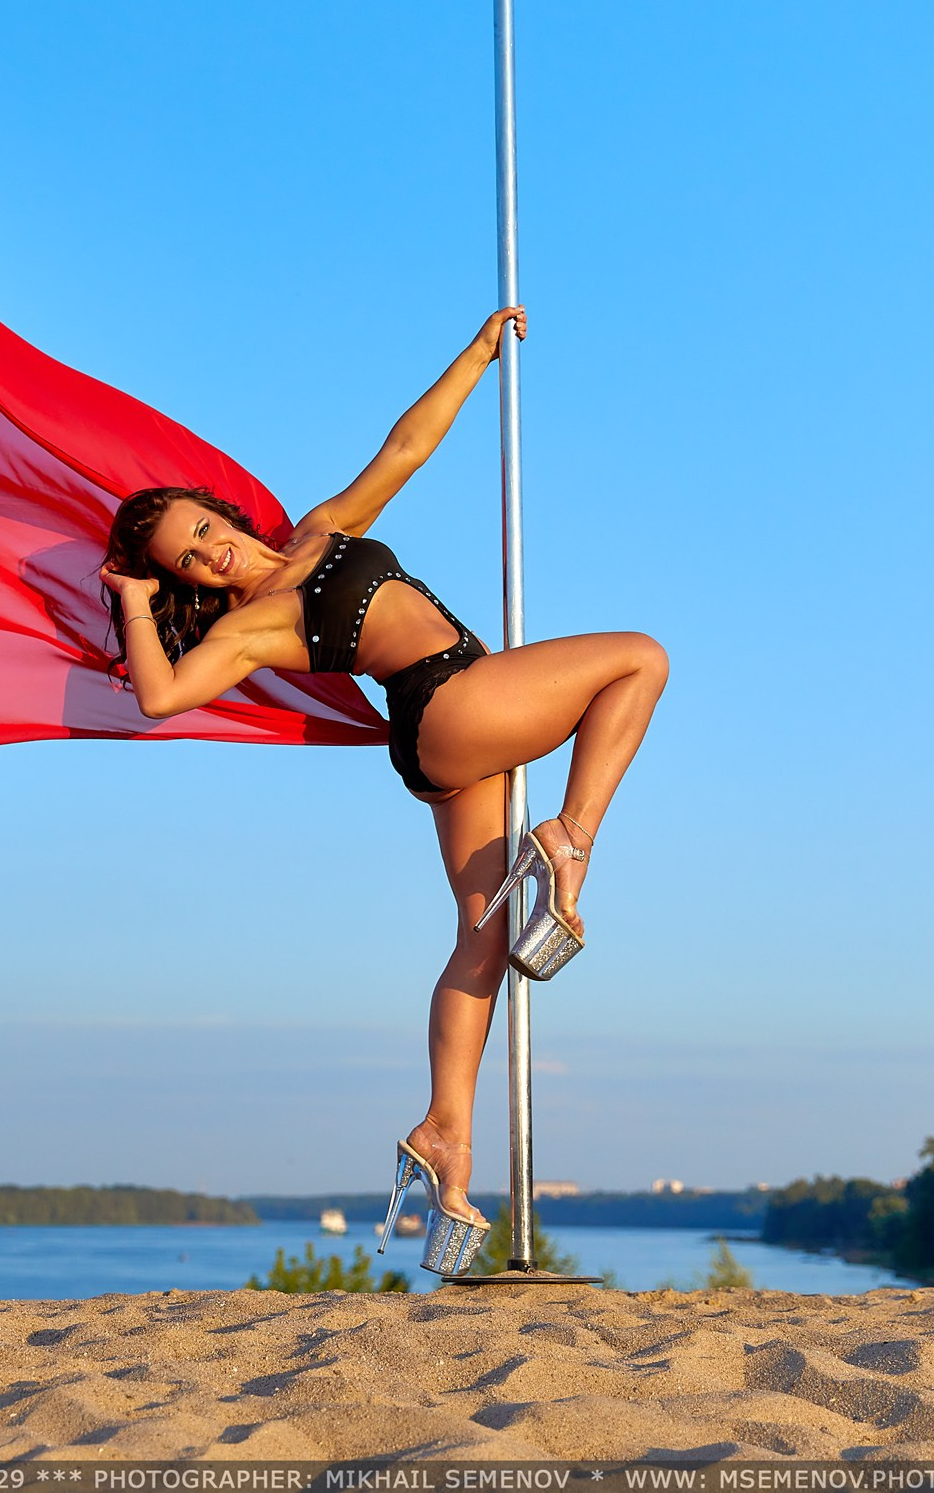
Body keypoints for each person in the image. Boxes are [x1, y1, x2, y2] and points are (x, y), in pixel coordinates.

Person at [96, 307, 667, 1263]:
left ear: (224, 512)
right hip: (449, 701)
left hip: (442, 740)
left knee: (482, 938)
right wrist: (133, 605)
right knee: (639, 660)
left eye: (204, 531)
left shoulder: (320, 529)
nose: (208, 554)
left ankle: (446, 1138)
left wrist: (480, 353)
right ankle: (571, 838)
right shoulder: (248, 625)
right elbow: (159, 696)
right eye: (185, 561)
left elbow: (405, 448)